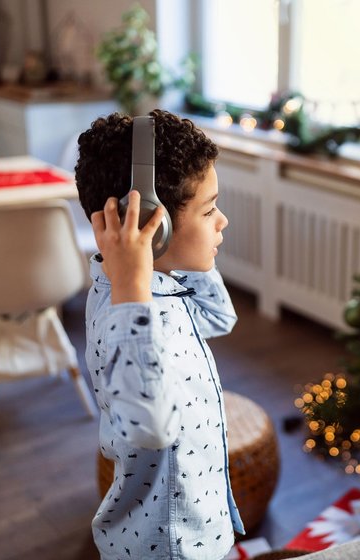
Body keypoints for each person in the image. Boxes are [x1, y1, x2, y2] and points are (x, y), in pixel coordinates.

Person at [75, 109, 244, 560]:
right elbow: (148, 426)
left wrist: (165, 261)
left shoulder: (162, 288)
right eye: (209, 210)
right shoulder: (126, 308)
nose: (222, 220)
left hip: (198, 522)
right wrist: (135, 283)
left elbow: (220, 318)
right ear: (153, 224)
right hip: (169, 545)